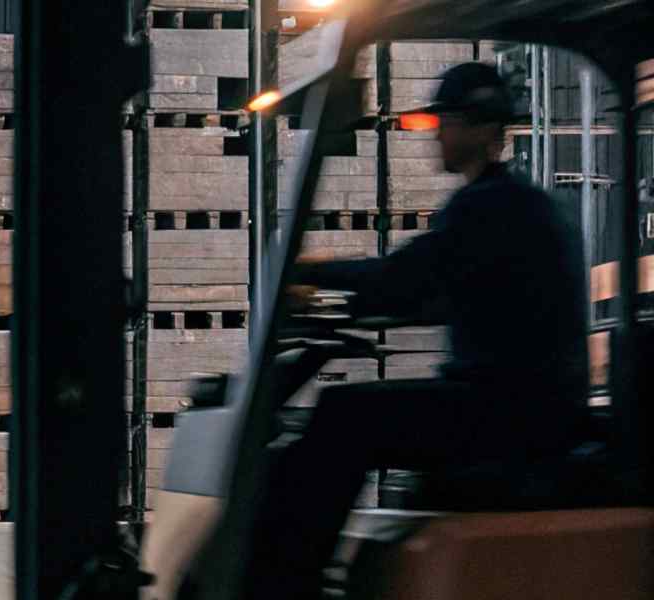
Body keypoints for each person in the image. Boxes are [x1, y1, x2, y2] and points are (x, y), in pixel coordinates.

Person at [245, 62, 591, 598]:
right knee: (351, 414)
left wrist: (305, 268)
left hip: (508, 411)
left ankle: (281, 584)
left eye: (446, 122)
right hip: (521, 404)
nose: (437, 135)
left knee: (344, 417)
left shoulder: (490, 208)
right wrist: (359, 308)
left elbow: (403, 275)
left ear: (480, 129)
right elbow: (433, 288)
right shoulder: (516, 206)